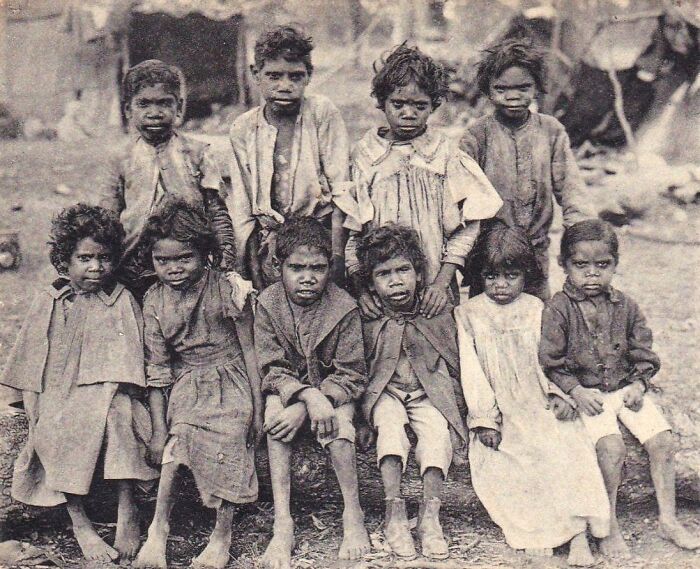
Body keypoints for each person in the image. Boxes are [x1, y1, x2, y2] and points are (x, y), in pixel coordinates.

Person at [0, 204, 157, 562]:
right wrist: (40, 405)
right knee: (53, 426)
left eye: (103, 258)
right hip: (59, 392)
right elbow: (30, 365)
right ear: (65, 261)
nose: (95, 267)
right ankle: (79, 522)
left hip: (112, 390)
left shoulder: (119, 300)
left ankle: (126, 509)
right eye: (85, 258)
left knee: (119, 417)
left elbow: (129, 366)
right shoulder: (52, 301)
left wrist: (105, 394)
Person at [540, 219, 700, 557]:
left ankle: (668, 519)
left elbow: (643, 350)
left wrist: (640, 383)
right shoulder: (558, 309)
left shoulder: (625, 305)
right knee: (612, 448)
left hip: (625, 389)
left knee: (663, 441)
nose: (592, 274)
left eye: (603, 265)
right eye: (581, 265)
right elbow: (551, 361)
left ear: (615, 264)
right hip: (590, 396)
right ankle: (608, 523)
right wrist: (576, 391)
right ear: (563, 264)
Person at [455, 222, 610, 566]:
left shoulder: (537, 309)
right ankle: (542, 531)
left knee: (566, 445)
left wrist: (560, 393)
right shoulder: (468, 314)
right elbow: (473, 372)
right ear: (479, 275)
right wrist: (484, 418)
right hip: (502, 407)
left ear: (526, 274)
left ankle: (578, 533)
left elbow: (554, 358)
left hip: (539, 398)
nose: (500, 285)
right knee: (510, 459)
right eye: (491, 276)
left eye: (510, 275)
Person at [132, 202, 262, 569]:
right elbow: (157, 370)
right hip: (187, 382)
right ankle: (159, 529)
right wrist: (159, 430)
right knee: (178, 440)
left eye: (184, 258)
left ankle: (222, 534)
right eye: (162, 261)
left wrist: (258, 407)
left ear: (205, 254)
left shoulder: (227, 288)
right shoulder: (154, 301)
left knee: (232, 433)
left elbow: (250, 350)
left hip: (233, 377)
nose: (173, 269)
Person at [345, 44, 501, 320]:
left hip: (434, 289)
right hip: (382, 291)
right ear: (381, 102)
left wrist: (442, 282)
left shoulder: (446, 155)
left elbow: (469, 224)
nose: (408, 113)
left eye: (419, 106)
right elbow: (353, 232)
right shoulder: (365, 156)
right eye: (399, 104)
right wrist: (362, 289)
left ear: (434, 106)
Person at [254, 217, 370, 569]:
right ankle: (283, 521)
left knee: (340, 428)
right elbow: (272, 367)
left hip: (334, 395)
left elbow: (351, 372)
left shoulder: (343, 307)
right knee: (275, 420)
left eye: (317, 268)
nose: (307, 277)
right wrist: (304, 396)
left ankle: (353, 512)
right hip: (291, 392)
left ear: (329, 268)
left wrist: (317, 401)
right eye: (297, 268)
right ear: (278, 266)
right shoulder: (268, 303)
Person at [356, 225, 467, 561]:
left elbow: (454, 362)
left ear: (419, 274)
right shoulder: (368, 316)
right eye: (384, 274)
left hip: (425, 392)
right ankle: (394, 515)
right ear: (371, 283)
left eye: (403, 270)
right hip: (385, 394)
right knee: (390, 431)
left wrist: (456, 408)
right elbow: (359, 370)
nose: (395, 281)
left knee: (436, 435)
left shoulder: (435, 311)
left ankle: (430, 519)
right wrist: (363, 419)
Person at [460, 38, 589, 299]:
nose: (513, 96)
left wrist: (581, 234)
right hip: (490, 253)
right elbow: (459, 195)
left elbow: (571, 188)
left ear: (537, 87)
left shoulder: (551, 131)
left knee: (536, 316)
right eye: (502, 88)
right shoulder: (477, 135)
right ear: (487, 90)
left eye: (523, 87)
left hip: (535, 250)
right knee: (484, 316)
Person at [96, 59, 237, 300]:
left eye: (164, 103)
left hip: (188, 260)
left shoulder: (197, 153)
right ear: (128, 110)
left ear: (179, 107)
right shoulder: (120, 159)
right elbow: (107, 214)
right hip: (134, 262)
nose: (154, 113)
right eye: (144, 104)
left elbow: (216, 209)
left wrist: (225, 253)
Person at [229, 25, 353, 290]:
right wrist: (244, 265)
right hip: (270, 243)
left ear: (309, 75)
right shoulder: (244, 128)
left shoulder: (321, 114)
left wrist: (338, 254)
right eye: (274, 76)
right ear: (255, 74)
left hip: (319, 240)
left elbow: (342, 187)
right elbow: (242, 205)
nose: (284, 86)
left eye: (295, 76)